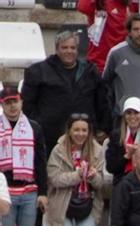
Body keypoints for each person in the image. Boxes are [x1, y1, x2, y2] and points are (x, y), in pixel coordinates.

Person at [24, 35, 103, 178]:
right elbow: (28, 105)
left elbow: (101, 101)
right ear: (56, 49)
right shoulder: (38, 71)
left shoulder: (89, 71)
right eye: (64, 47)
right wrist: (38, 125)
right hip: (49, 135)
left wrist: (101, 127)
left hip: (81, 136)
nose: (69, 51)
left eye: (72, 48)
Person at [0, 86, 40, 226]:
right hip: (5, 192)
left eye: (14, 101)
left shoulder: (34, 127)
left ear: (21, 101)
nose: (12, 106)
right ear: (2, 105)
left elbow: (40, 161)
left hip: (28, 191)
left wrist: (44, 192)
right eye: (7, 103)